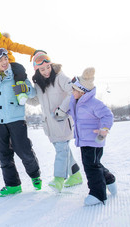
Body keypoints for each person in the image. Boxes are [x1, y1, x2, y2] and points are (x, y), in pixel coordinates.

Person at [0, 48, 42, 197]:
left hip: (16, 119)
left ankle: (35, 175)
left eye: (5, 59)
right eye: (0, 61)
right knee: (4, 154)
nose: (4, 62)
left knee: (24, 151)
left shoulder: (17, 75)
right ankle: (13, 185)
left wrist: (25, 87)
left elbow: (33, 93)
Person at [27, 52, 83, 193]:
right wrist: (23, 96)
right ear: (37, 70)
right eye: (42, 69)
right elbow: (35, 101)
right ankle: (75, 175)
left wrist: (62, 109)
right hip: (50, 125)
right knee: (64, 150)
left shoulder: (60, 77)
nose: (46, 71)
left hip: (62, 121)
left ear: (51, 65)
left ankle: (58, 179)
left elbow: (73, 92)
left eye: (48, 67)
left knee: (61, 151)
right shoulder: (38, 84)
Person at [69, 67, 117, 206]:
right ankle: (109, 179)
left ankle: (98, 194)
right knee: (94, 164)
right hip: (85, 140)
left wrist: (104, 129)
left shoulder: (93, 103)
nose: (72, 92)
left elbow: (107, 115)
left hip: (94, 140)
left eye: (74, 90)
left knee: (91, 166)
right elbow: (70, 111)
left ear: (82, 91)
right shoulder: (76, 102)